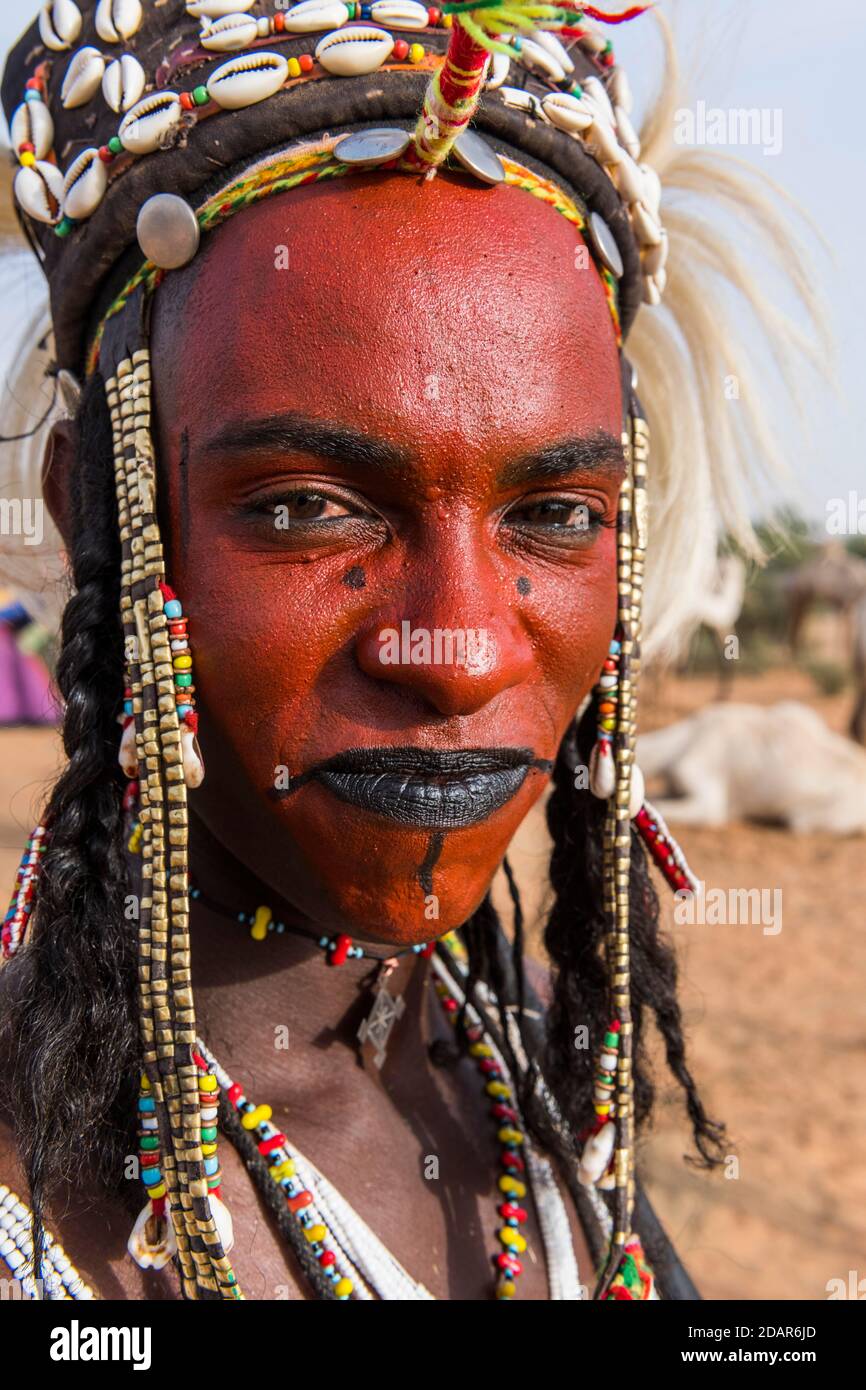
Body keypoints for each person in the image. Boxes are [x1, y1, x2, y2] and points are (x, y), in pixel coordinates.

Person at [0, 0, 815, 1301]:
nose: (457, 649)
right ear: (92, 508)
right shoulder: (39, 1207)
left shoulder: (534, 1065)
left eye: (551, 515)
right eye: (309, 506)